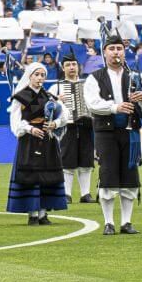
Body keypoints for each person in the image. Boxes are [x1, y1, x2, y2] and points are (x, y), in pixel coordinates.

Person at [84, 32, 142, 236]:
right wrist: (115, 107)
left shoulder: (136, 76)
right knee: (107, 175)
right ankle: (108, 222)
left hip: (131, 132)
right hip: (106, 132)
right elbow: (92, 104)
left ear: (124, 52)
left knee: (129, 176)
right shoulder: (94, 77)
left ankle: (126, 222)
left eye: (119, 49)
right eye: (112, 49)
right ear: (104, 53)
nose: (116, 53)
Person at [7, 62, 69, 225]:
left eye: (43, 75)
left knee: (46, 176)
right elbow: (15, 121)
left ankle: (43, 213)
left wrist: (54, 124)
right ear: (30, 76)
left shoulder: (49, 96)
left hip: (47, 140)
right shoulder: (20, 97)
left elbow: (64, 115)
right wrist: (29, 129)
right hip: (29, 141)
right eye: (37, 74)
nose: (40, 78)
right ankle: (32, 213)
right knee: (31, 176)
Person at [54, 51, 96, 204]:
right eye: (68, 65)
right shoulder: (57, 86)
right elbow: (48, 107)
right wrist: (57, 101)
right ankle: (66, 194)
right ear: (63, 68)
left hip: (86, 126)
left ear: (78, 67)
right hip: (67, 127)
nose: (71, 67)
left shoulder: (88, 84)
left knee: (86, 160)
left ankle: (85, 194)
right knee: (67, 160)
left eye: (73, 65)